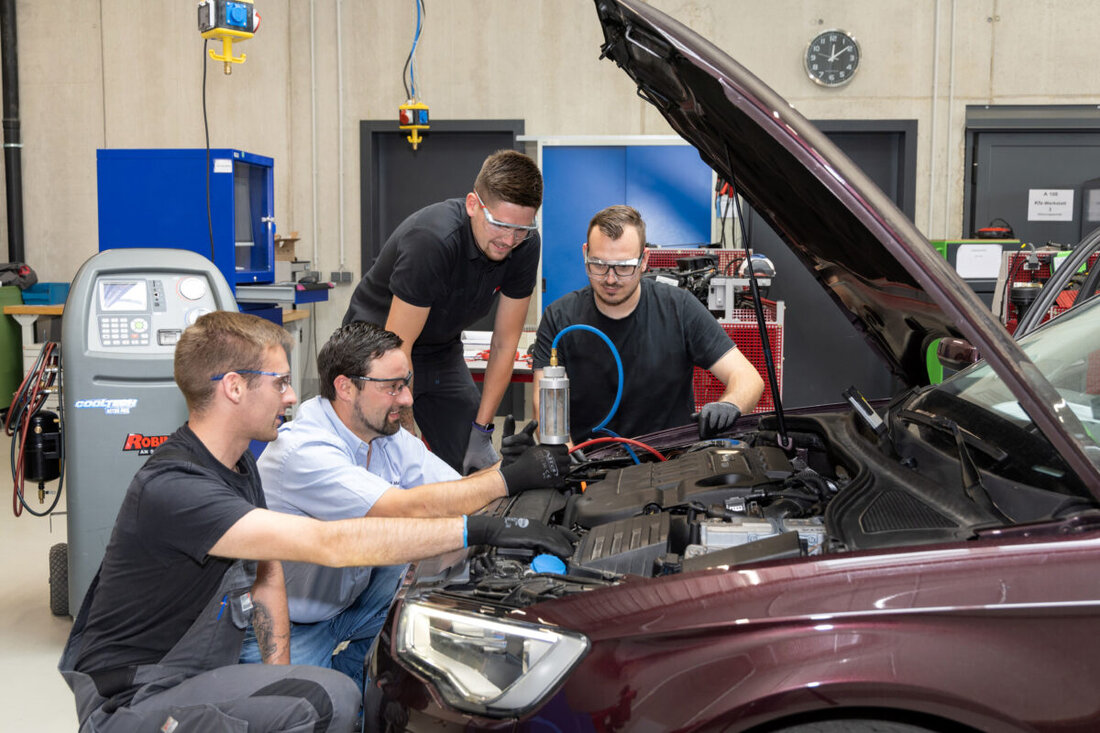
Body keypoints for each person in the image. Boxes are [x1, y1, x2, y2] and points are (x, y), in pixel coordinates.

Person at [59, 311, 573, 733]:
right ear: (234, 387)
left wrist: (275, 681)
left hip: (230, 651)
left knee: (399, 620)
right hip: (133, 697)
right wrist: (476, 528)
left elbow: (268, 574)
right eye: (280, 382)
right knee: (329, 697)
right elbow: (331, 543)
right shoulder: (178, 487)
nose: (291, 395)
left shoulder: (236, 465)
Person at [240, 321, 569, 687]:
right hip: (292, 623)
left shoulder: (383, 432)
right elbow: (404, 509)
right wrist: (506, 480)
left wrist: (503, 467)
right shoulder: (301, 451)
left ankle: (359, 680)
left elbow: (454, 491)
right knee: (311, 709)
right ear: (346, 387)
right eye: (393, 388)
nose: (408, 400)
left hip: (354, 599)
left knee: (438, 604)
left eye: (406, 384)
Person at [343, 149, 543, 474]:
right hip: (375, 351)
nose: (509, 240)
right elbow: (398, 348)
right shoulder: (433, 240)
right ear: (473, 205)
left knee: (471, 462)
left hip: (439, 351)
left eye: (521, 229)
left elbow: (506, 344)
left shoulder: (525, 245)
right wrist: (405, 435)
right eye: (500, 225)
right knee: (385, 468)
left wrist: (482, 431)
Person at [532, 205, 765, 444]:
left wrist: (730, 404)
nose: (610, 279)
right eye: (599, 264)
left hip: (668, 464)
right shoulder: (559, 318)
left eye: (624, 267)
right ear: (585, 253)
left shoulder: (680, 308)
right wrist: (571, 466)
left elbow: (748, 378)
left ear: (644, 260)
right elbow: (545, 414)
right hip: (590, 466)